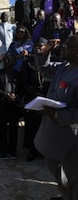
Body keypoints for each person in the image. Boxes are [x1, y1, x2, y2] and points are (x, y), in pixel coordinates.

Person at [34, 34, 78, 199]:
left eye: (68, 46)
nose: (63, 48)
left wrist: (57, 114)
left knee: (74, 177)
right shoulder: (64, 66)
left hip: (72, 138)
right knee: (54, 165)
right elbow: (44, 70)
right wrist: (45, 53)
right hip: (54, 132)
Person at [20, 37, 51, 162]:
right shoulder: (28, 62)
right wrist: (35, 93)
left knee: (46, 126)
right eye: (36, 46)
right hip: (33, 98)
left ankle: (45, 151)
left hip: (48, 98)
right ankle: (32, 151)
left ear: (46, 47)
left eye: (41, 46)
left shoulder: (52, 62)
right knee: (32, 126)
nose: (38, 48)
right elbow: (24, 82)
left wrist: (48, 95)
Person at [0, 53, 22, 159]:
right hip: (2, 104)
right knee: (2, 129)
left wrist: (16, 96)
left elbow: (22, 88)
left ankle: (12, 151)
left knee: (14, 129)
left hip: (14, 105)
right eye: (5, 60)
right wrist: (5, 95)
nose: (7, 62)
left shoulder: (18, 74)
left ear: (13, 62)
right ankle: (3, 151)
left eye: (9, 60)